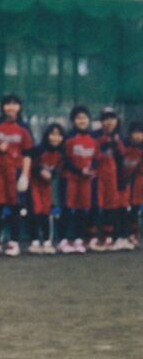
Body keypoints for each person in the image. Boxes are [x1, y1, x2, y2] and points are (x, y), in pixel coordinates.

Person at [0, 94, 33, 256]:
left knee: (15, 208)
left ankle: (14, 242)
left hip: (16, 172)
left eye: (15, 104)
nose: (11, 107)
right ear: (2, 107)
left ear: (19, 107)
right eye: (8, 104)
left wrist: (25, 175)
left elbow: (28, 153)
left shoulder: (24, 128)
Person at [59, 105, 98, 254]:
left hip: (85, 181)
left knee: (82, 210)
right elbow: (65, 160)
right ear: (73, 120)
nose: (82, 121)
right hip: (69, 179)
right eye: (78, 118)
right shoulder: (68, 138)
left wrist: (91, 170)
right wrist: (79, 171)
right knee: (67, 208)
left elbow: (95, 159)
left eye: (84, 118)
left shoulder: (93, 139)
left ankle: (78, 239)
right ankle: (63, 240)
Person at [89, 108, 125, 251]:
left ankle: (108, 237)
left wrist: (117, 144)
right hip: (97, 178)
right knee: (95, 205)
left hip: (113, 178)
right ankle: (91, 238)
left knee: (111, 206)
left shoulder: (120, 138)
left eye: (112, 119)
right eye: (106, 119)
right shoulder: (94, 136)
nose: (109, 122)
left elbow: (122, 159)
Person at [27, 123, 65, 254]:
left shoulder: (61, 153)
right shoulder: (39, 150)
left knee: (46, 211)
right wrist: (40, 171)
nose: (55, 138)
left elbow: (57, 170)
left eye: (59, 135)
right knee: (35, 210)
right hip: (34, 184)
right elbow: (31, 165)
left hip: (47, 186)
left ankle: (48, 241)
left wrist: (51, 175)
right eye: (52, 134)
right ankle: (34, 240)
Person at [125, 121, 143, 247]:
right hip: (135, 182)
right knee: (134, 208)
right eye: (135, 133)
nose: (137, 135)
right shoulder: (127, 148)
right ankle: (133, 234)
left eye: (140, 132)